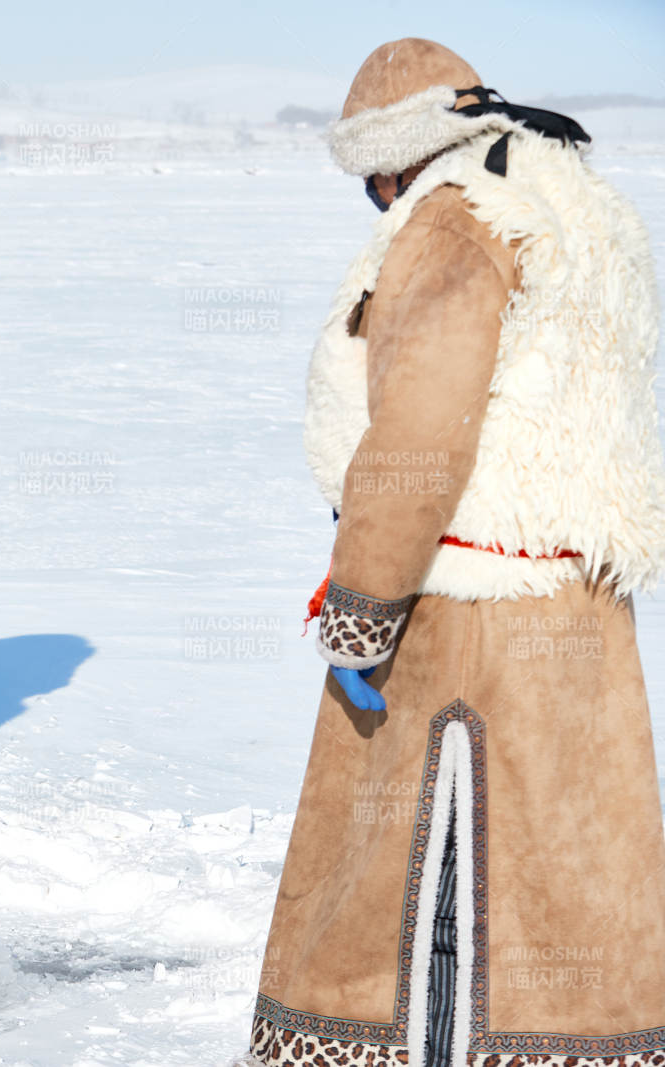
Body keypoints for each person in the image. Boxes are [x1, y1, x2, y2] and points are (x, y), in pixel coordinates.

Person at [249, 38, 665, 1066]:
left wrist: (360, 602)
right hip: (576, 599)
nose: (372, 201)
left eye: (367, 183)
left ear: (393, 157)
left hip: (462, 604)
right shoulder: (570, 201)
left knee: (419, 885)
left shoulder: (453, 220)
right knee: (560, 876)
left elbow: (420, 433)